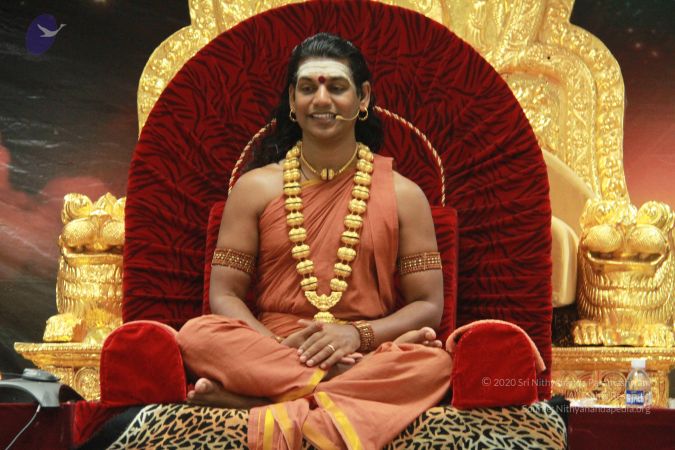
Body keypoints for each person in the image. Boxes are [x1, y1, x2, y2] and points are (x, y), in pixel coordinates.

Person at [177, 33, 452, 450]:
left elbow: (428, 305)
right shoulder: (255, 188)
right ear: (292, 100)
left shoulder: (404, 194)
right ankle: (333, 389)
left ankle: (257, 401)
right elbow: (225, 294)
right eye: (308, 88)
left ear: (362, 98)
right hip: (274, 345)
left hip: (364, 347)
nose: (321, 100)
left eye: (336, 87)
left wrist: (354, 336)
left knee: (432, 364)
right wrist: (281, 349)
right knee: (197, 335)